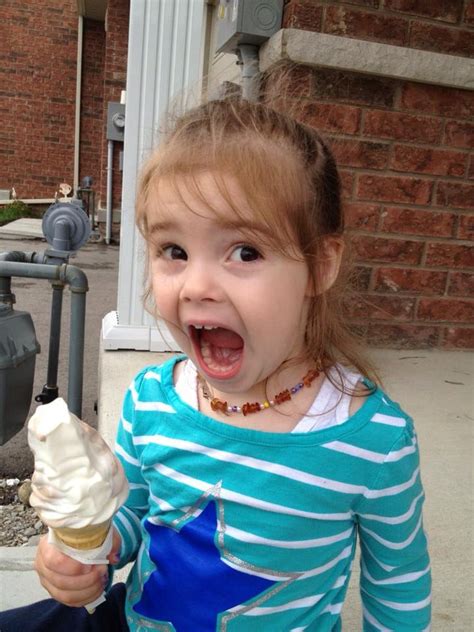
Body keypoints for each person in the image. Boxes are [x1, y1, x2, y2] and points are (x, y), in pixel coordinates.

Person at [0, 97, 431, 631]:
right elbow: (136, 517)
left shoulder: (372, 441)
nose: (197, 286)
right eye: (174, 250)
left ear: (319, 266)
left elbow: (398, 584)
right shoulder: (150, 400)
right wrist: (96, 548)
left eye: (245, 252)